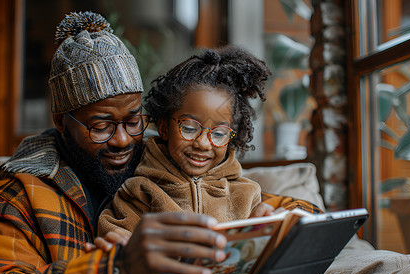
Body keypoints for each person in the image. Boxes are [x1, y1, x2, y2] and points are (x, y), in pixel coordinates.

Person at [0, 11, 325, 274]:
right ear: (62, 122)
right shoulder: (17, 194)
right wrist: (118, 270)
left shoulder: (165, 154)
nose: (123, 140)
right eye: (101, 126)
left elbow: (268, 204)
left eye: (132, 120)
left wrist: (282, 222)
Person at [97, 45, 276, 239]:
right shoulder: (140, 191)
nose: (203, 144)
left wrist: (264, 231)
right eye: (189, 128)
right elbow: (115, 243)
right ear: (164, 128)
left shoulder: (246, 193)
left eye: (219, 134)